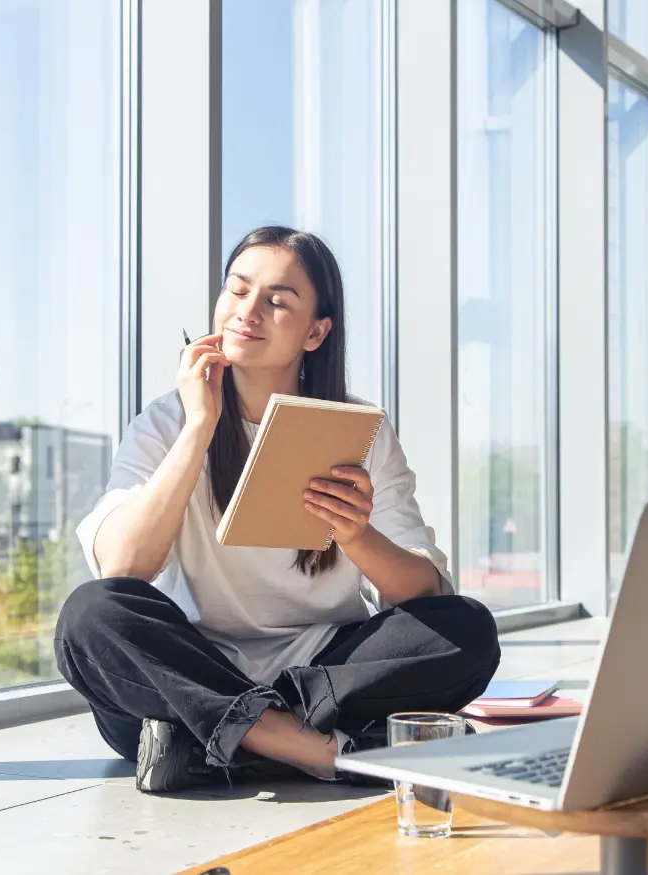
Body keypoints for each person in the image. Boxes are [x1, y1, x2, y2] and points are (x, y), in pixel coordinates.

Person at [54, 226, 500, 794]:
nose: (248, 311)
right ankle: (314, 749)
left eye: (277, 301)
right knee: (89, 617)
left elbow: (424, 593)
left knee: (468, 629)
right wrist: (199, 427)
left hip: (321, 669)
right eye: (238, 290)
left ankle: (221, 744)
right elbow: (123, 568)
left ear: (316, 332)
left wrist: (357, 535)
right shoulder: (168, 421)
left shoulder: (359, 430)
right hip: (192, 664)